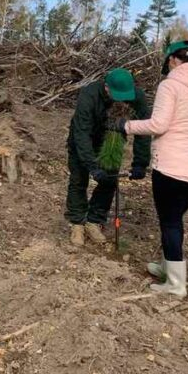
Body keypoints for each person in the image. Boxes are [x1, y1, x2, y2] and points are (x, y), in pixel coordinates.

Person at [111, 43, 188, 298]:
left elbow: (159, 124)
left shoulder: (170, 85)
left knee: (170, 223)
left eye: (167, 62)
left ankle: (175, 285)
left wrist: (125, 125)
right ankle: (167, 267)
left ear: (174, 60)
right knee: (175, 220)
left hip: (172, 169)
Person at [66, 68, 150, 247]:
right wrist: (92, 166)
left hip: (112, 141)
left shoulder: (137, 97)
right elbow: (82, 133)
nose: (121, 100)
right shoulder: (89, 95)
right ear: (106, 87)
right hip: (83, 139)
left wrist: (140, 164)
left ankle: (94, 221)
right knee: (78, 180)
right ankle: (77, 223)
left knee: (109, 182)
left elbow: (144, 130)